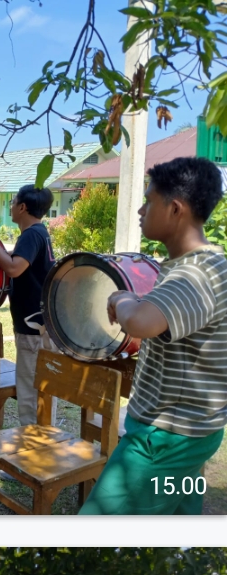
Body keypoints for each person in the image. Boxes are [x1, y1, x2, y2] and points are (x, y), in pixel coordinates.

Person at [80, 157, 227, 516]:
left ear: (175, 209)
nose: (141, 210)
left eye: (149, 201)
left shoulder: (196, 273)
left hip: (162, 439)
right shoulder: (208, 264)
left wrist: (121, 297)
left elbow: (141, 322)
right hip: (192, 435)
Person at [0, 184, 58, 426]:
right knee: (41, 391)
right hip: (38, 324)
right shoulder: (38, 232)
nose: (11, 206)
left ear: (22, 207)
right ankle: (43, 440)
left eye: (13, 202)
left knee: (31, 394)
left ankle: (33, 445)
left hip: (34, 329)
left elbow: (14, 268)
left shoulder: (31, 235)